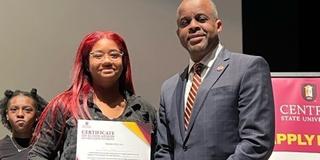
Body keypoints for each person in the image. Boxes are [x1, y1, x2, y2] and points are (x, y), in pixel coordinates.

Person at [155, 0, 275, 160]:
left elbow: (257, 142)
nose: (193, 26)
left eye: (201, 19)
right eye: (185, 22)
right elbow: (164, 150)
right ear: (179, 34)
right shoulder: (169, 88)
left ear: (218, 25)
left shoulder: (248, 68)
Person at [28, 31, 157, 160]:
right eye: (98, 56)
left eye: (114, 55)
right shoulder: (66, 106)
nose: (107, 61)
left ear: (123, 61)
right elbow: (38, 154)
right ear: (86, 63)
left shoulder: (144, 111)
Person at [0, 89, 47, 160]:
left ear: (37, 115)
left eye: (27, 110)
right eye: (14, 109)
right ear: (7, 115)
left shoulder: (45, 149)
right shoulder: (1, 148)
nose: (20, 114)